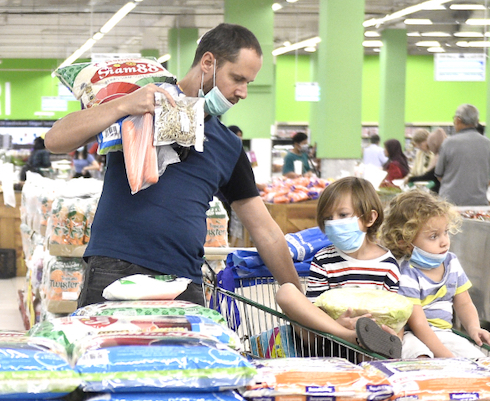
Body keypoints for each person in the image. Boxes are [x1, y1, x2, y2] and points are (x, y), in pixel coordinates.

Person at [44, 22, 300, 307]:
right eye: (237, 78)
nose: (243, 92)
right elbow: (55, 140)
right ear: (208, 62)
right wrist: (123, 105)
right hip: (114, 271)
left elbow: (265, 230)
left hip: (183, 281)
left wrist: (300, 298)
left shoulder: (228, 145)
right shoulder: (138, 103)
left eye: (248, 83)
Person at [275, 177, 403, 358]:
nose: (334, 222)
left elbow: (393, 312)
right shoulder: (324, 260)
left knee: (373, 341)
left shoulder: (388, 265)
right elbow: (314, 309)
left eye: (343, 215)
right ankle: (348, 336)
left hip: (367, 342)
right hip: (326, 337)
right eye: (328, 218)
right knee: (286, 291)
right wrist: (338, 325)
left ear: (370, 218)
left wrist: (392, 337)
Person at [381, 189, 490, 359]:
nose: (444, 241)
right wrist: (448, 358)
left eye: (445, 232)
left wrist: (474, 327)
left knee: (478, 361)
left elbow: (464, 304)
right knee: (421, 359)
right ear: (404, 241)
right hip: (411, 335)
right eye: (433, 236)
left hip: (445, 333)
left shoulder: (451, 262)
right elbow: (418, 324)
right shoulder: (406, 272)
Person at [434, 104, 490, 206]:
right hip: (479, 203)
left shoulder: (449, 143)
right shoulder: (486, 143)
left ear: (458, 120)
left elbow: (439, 174)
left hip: (451, 202)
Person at [406, 127, 446, 194]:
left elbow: (431, 175)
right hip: (420, 187)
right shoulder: (419, 153)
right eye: (417, 145)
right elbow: (414, 171)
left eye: (420, 144)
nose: (419, 147)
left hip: (434, 189)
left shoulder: (437, 155)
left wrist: (412, 179)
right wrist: (409, 177)